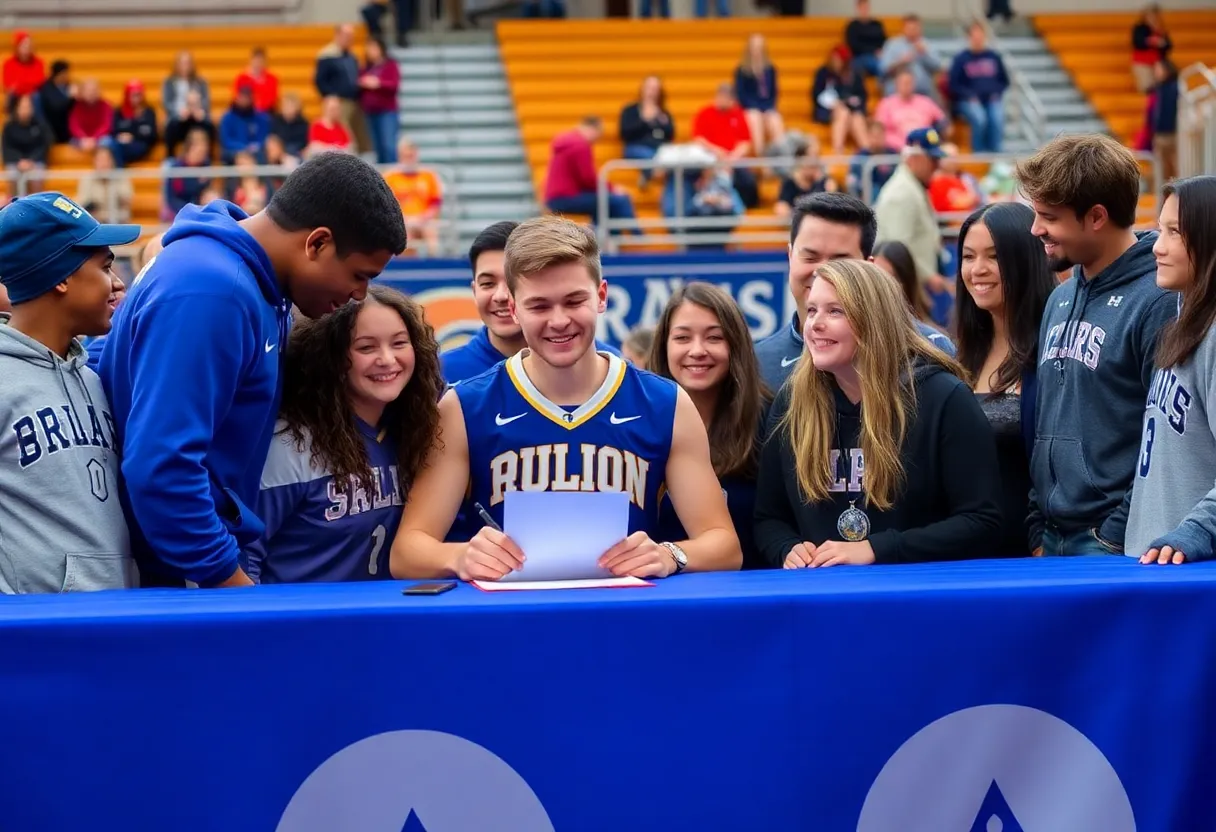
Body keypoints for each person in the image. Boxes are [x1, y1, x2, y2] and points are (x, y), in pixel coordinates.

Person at [99, 152, 407, 589]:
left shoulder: (248, 279)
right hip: (183, 578)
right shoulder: (212, 291)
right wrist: (229, 583)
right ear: (316, 243)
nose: (361, 294)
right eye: (358, 275)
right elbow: (162, 466)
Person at [389, 216, 742, 581]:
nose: (559, 321)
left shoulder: (665, 403)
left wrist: (670, 554)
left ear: (601, 296)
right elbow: (407, 551)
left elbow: (724, 545)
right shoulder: (464, 406)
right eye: (539, 306)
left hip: (627, 620)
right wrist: (460, 556)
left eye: (574, 301)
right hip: (510, 623)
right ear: (513, 308)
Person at [754, 259, 1002, 568]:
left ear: (874, 319)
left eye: (835, 311)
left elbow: (982, 521)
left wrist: (879, 550)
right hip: (823, 597)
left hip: (919, 596)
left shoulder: (943, 398)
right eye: (812, 309)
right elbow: (768, 518)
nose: (815, 323)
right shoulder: (792, 403)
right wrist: (787, 548)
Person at [1014, 133, 1177, 556]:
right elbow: (1046, 419)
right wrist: (1036, 525)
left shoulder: (1158, 301)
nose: (1036, 229)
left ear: (1097, 217)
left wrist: (1113, 532)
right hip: (1051, 536)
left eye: (1048, 216)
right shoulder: (1060, 296)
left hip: (1110, 541)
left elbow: (1165, 437)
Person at [244, 286, 444, 583]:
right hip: (302, 624)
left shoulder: (419, 432)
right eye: (366, 348)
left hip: (391, 621)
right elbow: (242, 557)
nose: (388, 359)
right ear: (329, 357)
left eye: (400, 343)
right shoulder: (289, 443)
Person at [0, 192, 140, 593]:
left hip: (110, 614)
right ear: (61, 276)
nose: (117, 283)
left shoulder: (93, 378)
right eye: (105, 267)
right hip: (33, 633)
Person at [754, 191, 955, 393]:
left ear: (869, 267)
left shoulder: (930, 352)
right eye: (810, 257)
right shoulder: (757, 365)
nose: (822, 273)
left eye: (840, 261)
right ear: (790, 257)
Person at [955, 202, 1055, 557]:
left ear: (1025, 260)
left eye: (993, 257)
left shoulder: (1053, 352)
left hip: (1034, 552)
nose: (977, 270)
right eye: (968, 257)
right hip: (962, 555)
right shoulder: (956, 358)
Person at [649, 282, 770, 568]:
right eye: (682, 338)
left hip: (755, 591)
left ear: (735, 345)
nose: (697, 350)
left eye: (714, 338)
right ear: (664, 345)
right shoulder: (640, 420)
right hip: (660, 595)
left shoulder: (771, 420)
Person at [1128, 176, 1216, 565]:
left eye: (1175, 232)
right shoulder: (1182, 321)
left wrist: (1198, 530)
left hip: (1193, 576)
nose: (1157, 248)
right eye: (1158, 230)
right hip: (1158, 566)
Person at [441, 220, 618, 385]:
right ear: (474, 291)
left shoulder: (616, 369)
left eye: (511, 284)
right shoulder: (440, 373)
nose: (501, 295)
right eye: (488, 284)